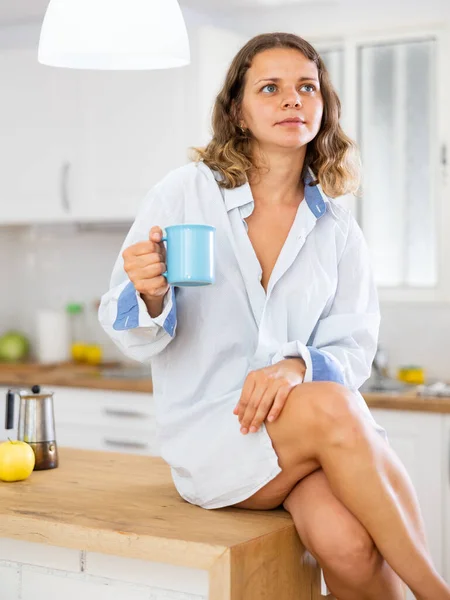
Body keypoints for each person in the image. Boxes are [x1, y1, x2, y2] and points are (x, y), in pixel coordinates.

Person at [99, 32, 450, 600]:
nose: (292, 100)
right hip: (217, 439)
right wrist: (150, 292)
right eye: (271, 88)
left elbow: (355, 349)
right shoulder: (185, 194)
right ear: (238, 110)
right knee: (332, 404)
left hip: (302, 442)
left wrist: (295, 366)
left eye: (306, 87)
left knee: (347, 545)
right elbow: (131, 332)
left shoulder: (337, 228)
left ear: (323, 107)